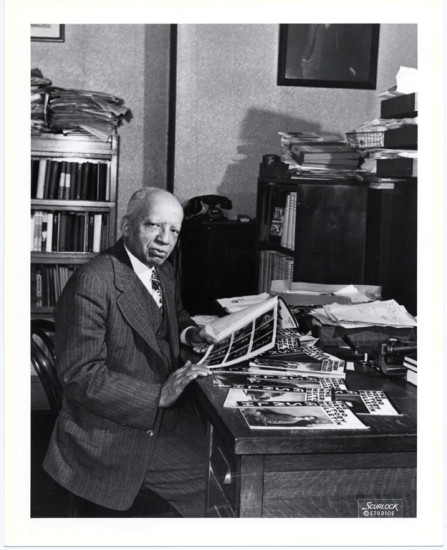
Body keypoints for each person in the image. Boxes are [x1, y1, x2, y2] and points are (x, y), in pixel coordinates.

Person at [43, 187, 215, 517]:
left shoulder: (161, 269)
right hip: (107, 433)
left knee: (226, 453)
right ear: (126, 226)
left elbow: (174, 314)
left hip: (159, 418)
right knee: (222, 479)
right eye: (154, 225)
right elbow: (79, 376)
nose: (165, 239)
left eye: (174, 230)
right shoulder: (93, 282)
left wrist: (190, 332)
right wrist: (158, 396)